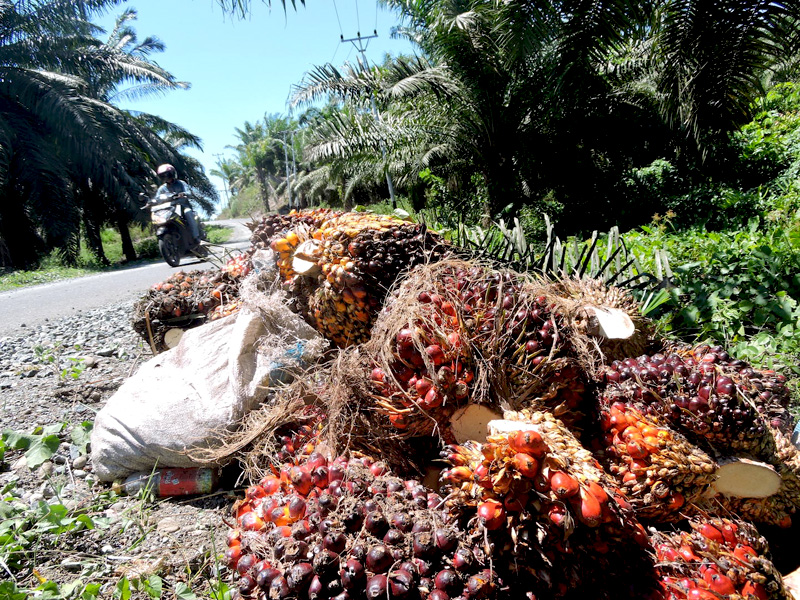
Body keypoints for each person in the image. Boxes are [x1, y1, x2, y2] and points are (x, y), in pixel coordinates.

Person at [155, 163, 202, 247]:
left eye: (167, 174)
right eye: (163, 176)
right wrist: (150, 201)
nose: (166, 177)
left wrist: (183, 194)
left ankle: (196, 237)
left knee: (188, 213)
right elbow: (157, 198)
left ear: (172, 173)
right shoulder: (162, 188)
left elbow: (189, 192)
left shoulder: (181, 183)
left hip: (182, 206)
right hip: (169, 209)